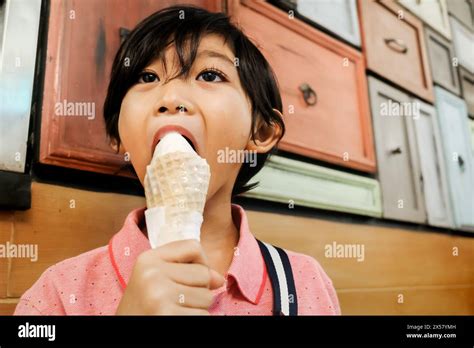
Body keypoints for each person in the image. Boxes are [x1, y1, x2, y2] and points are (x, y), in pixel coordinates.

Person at [14, 5, 340, 316]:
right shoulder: (55, 295)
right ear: (117, 135)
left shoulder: (305, 282)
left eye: (210, 75)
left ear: (262, 130)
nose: (170, 99)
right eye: (147, 77)